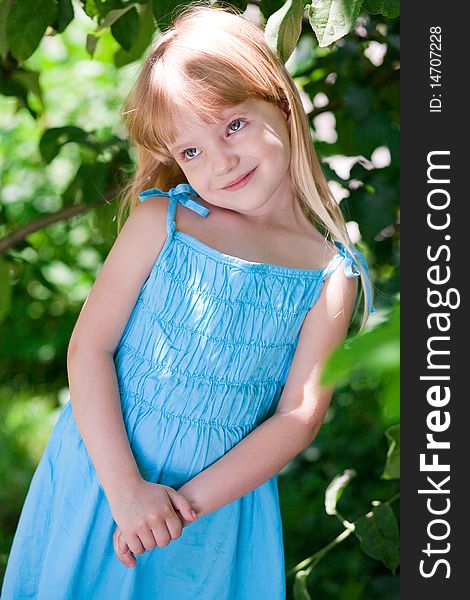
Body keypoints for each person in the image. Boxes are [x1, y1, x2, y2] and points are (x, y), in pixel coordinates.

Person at [1, 3, 375, 599]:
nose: (220, 162)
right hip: (104, 473)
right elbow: (90, 348)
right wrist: (128, 492)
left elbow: (297, 417)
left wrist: (177, 511)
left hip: (211, 511)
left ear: (279, 101)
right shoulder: (164, 221)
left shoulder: (331, 274)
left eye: (231, 125)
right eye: (191, 151)